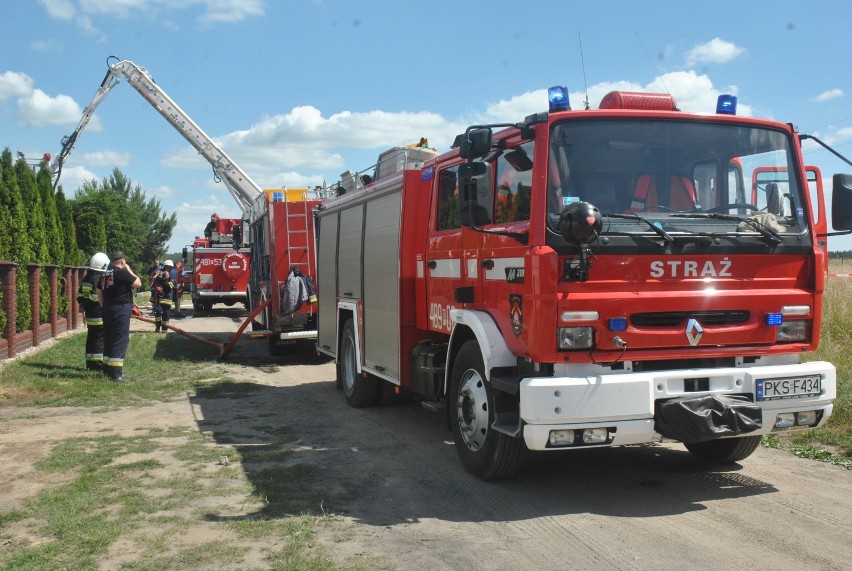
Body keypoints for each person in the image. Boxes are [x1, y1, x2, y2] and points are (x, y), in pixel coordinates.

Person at [97, 251, 141, 382]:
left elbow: (98, 290)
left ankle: (107, 369)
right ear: (122, 261)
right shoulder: (122, 272)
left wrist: (103, 305)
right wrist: (129, 270)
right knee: (120, 339)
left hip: (107, 308)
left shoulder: (105, 273)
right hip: (121, 308)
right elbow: (138, 283)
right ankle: (116, 374)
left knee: (109, 338)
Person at [77, 252, 110, 371]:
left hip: (90, 314)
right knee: (99, 339)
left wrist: (83, 305)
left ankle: (90, 364)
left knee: (91, 338)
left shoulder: (87, 277)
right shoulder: (100, 278)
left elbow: (80, 295)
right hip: (99, 314)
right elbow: (102, 296)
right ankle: (97, 365)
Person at [152, 260, 178, 333]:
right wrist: (158, 277)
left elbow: (169, 286)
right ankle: (157, 328)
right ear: (165, 266)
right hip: (159, 298)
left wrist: (163, 281)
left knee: (166, 314)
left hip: (167, 298)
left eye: (170, 268)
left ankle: (164, 329)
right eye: (167, 267)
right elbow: (154, 281)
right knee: (158, 312)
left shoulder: (172, 277)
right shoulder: (159, 273)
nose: (168, 269)